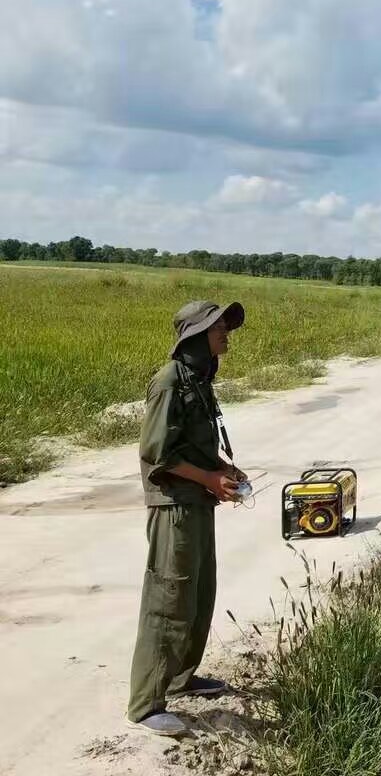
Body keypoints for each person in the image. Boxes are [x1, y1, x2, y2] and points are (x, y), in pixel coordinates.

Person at [126, 300, 248, 738]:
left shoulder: (198, 380)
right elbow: (158, 454)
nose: (226, 334)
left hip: (196, 502)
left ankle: (181, 678)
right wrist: (210, 479)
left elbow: (191, 446)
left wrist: (223, 471)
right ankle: (146, 704)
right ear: (195, 337)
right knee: (169, 601)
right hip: (174, 506)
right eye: (218, 328)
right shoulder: (169, 382)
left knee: (198, 593)